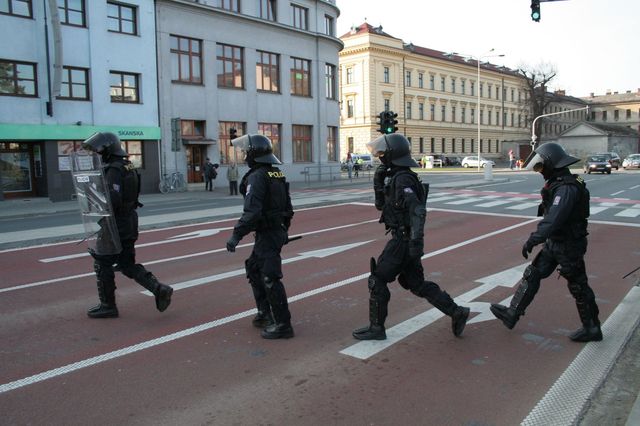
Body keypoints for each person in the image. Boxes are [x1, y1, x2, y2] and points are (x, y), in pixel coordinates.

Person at [352, 133, 470, 340]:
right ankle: (457, 311)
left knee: (377, 279)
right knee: (416, 284)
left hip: (403, 241)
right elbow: (382, 206)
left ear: (392, 154)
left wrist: (416, 241)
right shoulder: (397, 176)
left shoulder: (403, 178)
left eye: (382, 153)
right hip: (406, 240)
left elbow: (417, 210)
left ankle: (376, 328)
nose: (380, 157)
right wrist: (378, 183)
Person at [490, 142, 601, 342]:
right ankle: (512, 314)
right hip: (556, 242)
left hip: (568, 245)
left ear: (552, 164)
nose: (539, 171)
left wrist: (534, 239)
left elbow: (554, 218)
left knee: (578, 286)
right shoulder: (559, 182)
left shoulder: (567, 187)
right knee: (533, 274)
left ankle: (592, 328)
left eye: (541, 167)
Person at [82, 132, 173, 318]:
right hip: (129, 221)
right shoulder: (128, 165)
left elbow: (113, 200)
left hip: (115, 224)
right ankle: (158, 288)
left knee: (102, 262)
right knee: (126, 263)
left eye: (100, 150)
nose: (99, 153)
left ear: (108, 149)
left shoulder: (114, 169)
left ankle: (108, 305)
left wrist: (93, 196)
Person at [225, 134, 295, 339]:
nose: (245, 156)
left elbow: (252, 212)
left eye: (247, 152)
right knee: (254, 269)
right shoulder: (276, 173)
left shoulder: (256, 177)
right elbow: (288, 207)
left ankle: (283, 324)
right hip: (274, 231)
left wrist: (236, 236)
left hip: (268, 233)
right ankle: (265, 313)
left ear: (254, 154)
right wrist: (283, 229)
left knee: (270, 277)